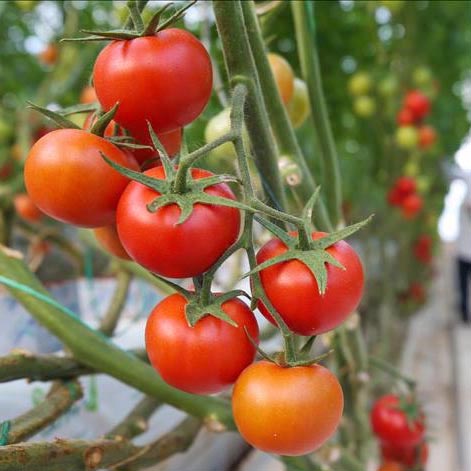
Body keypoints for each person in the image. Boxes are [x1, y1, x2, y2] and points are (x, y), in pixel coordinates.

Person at [456, 170, 471, 323]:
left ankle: (465, 313)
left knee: (463, 285)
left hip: (464, 249)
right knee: (462, 285)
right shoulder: (468, 177)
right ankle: (464, 314)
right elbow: (453, 172)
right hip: (463, 250)